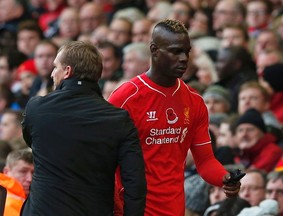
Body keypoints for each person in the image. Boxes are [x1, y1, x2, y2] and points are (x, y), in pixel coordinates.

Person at [108, 19, 241, 216]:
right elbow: (102, 158)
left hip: (174, 208)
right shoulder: (125, 98)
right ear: (154, 50)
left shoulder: (194, 101)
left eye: (186, 51)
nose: (183, 58)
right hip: (132, 208)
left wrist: (224, 178)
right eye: (175, 51)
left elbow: (204, 160)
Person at [21, 41, 147, 216]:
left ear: (67, 71)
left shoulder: (36, 108)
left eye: (55, 66)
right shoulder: (119, 119)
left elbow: (31, 140)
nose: (51, 73)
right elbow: (135, 181)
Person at [0, 148, 34, 216]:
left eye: (33, 173)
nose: (30, 179)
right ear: (6, 171)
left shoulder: (32, 198)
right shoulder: (6, 201)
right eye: (23, 171)